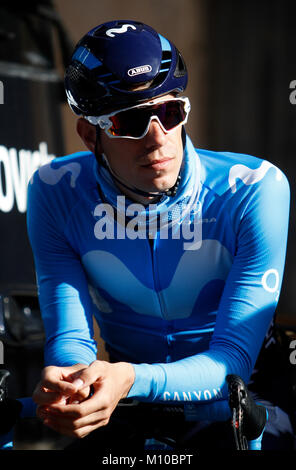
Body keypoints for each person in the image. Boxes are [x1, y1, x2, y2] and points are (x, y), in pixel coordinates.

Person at [27, 20, 293, 450]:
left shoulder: (254, 188)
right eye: (131, 121)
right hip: (129, 401)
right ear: (88, 134)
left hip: (241, 401)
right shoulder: (55, 191)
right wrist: (73, 386)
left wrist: (129, 378)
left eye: (171, 113)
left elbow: (232, 364)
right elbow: (71, 342)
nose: (158, 139)